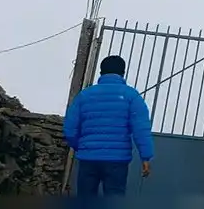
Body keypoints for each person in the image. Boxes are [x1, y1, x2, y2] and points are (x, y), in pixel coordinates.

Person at [63, 55, 154, 196]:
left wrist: (80, 146)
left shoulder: (84, 96)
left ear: (101, 72)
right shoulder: (132, 96)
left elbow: (70, 128)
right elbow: (141, 129)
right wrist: (145, 157)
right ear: (123, 73)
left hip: (88, 158)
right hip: (117, 160)